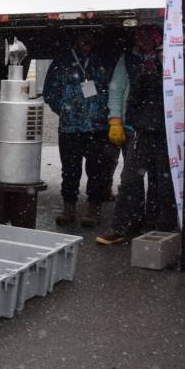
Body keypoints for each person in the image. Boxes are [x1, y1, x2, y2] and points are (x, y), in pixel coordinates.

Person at [97, 25, 176, 244]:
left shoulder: (178, 67)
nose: (144, 44)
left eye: (161, 49)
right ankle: (123, 226)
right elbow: (121, 91)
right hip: (140, 132)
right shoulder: (134, 64)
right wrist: (118, 121)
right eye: (139, 39)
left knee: (163, 182)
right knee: (131, 179)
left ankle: (160, 229)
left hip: (167, 134)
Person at [43, 31, 114, 228]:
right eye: (82, 39)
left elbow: (114, 89)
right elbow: (49, 91)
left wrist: (104, 112)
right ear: (76, 40)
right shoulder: (62, 62)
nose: (86, 43)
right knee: (70, 170)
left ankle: (93, 209)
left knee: (96, 170)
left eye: (90, 39)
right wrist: (65, 110)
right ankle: (69, 209)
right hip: (69, 128)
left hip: (97, 126)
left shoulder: (104, 62)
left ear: (95, 41)